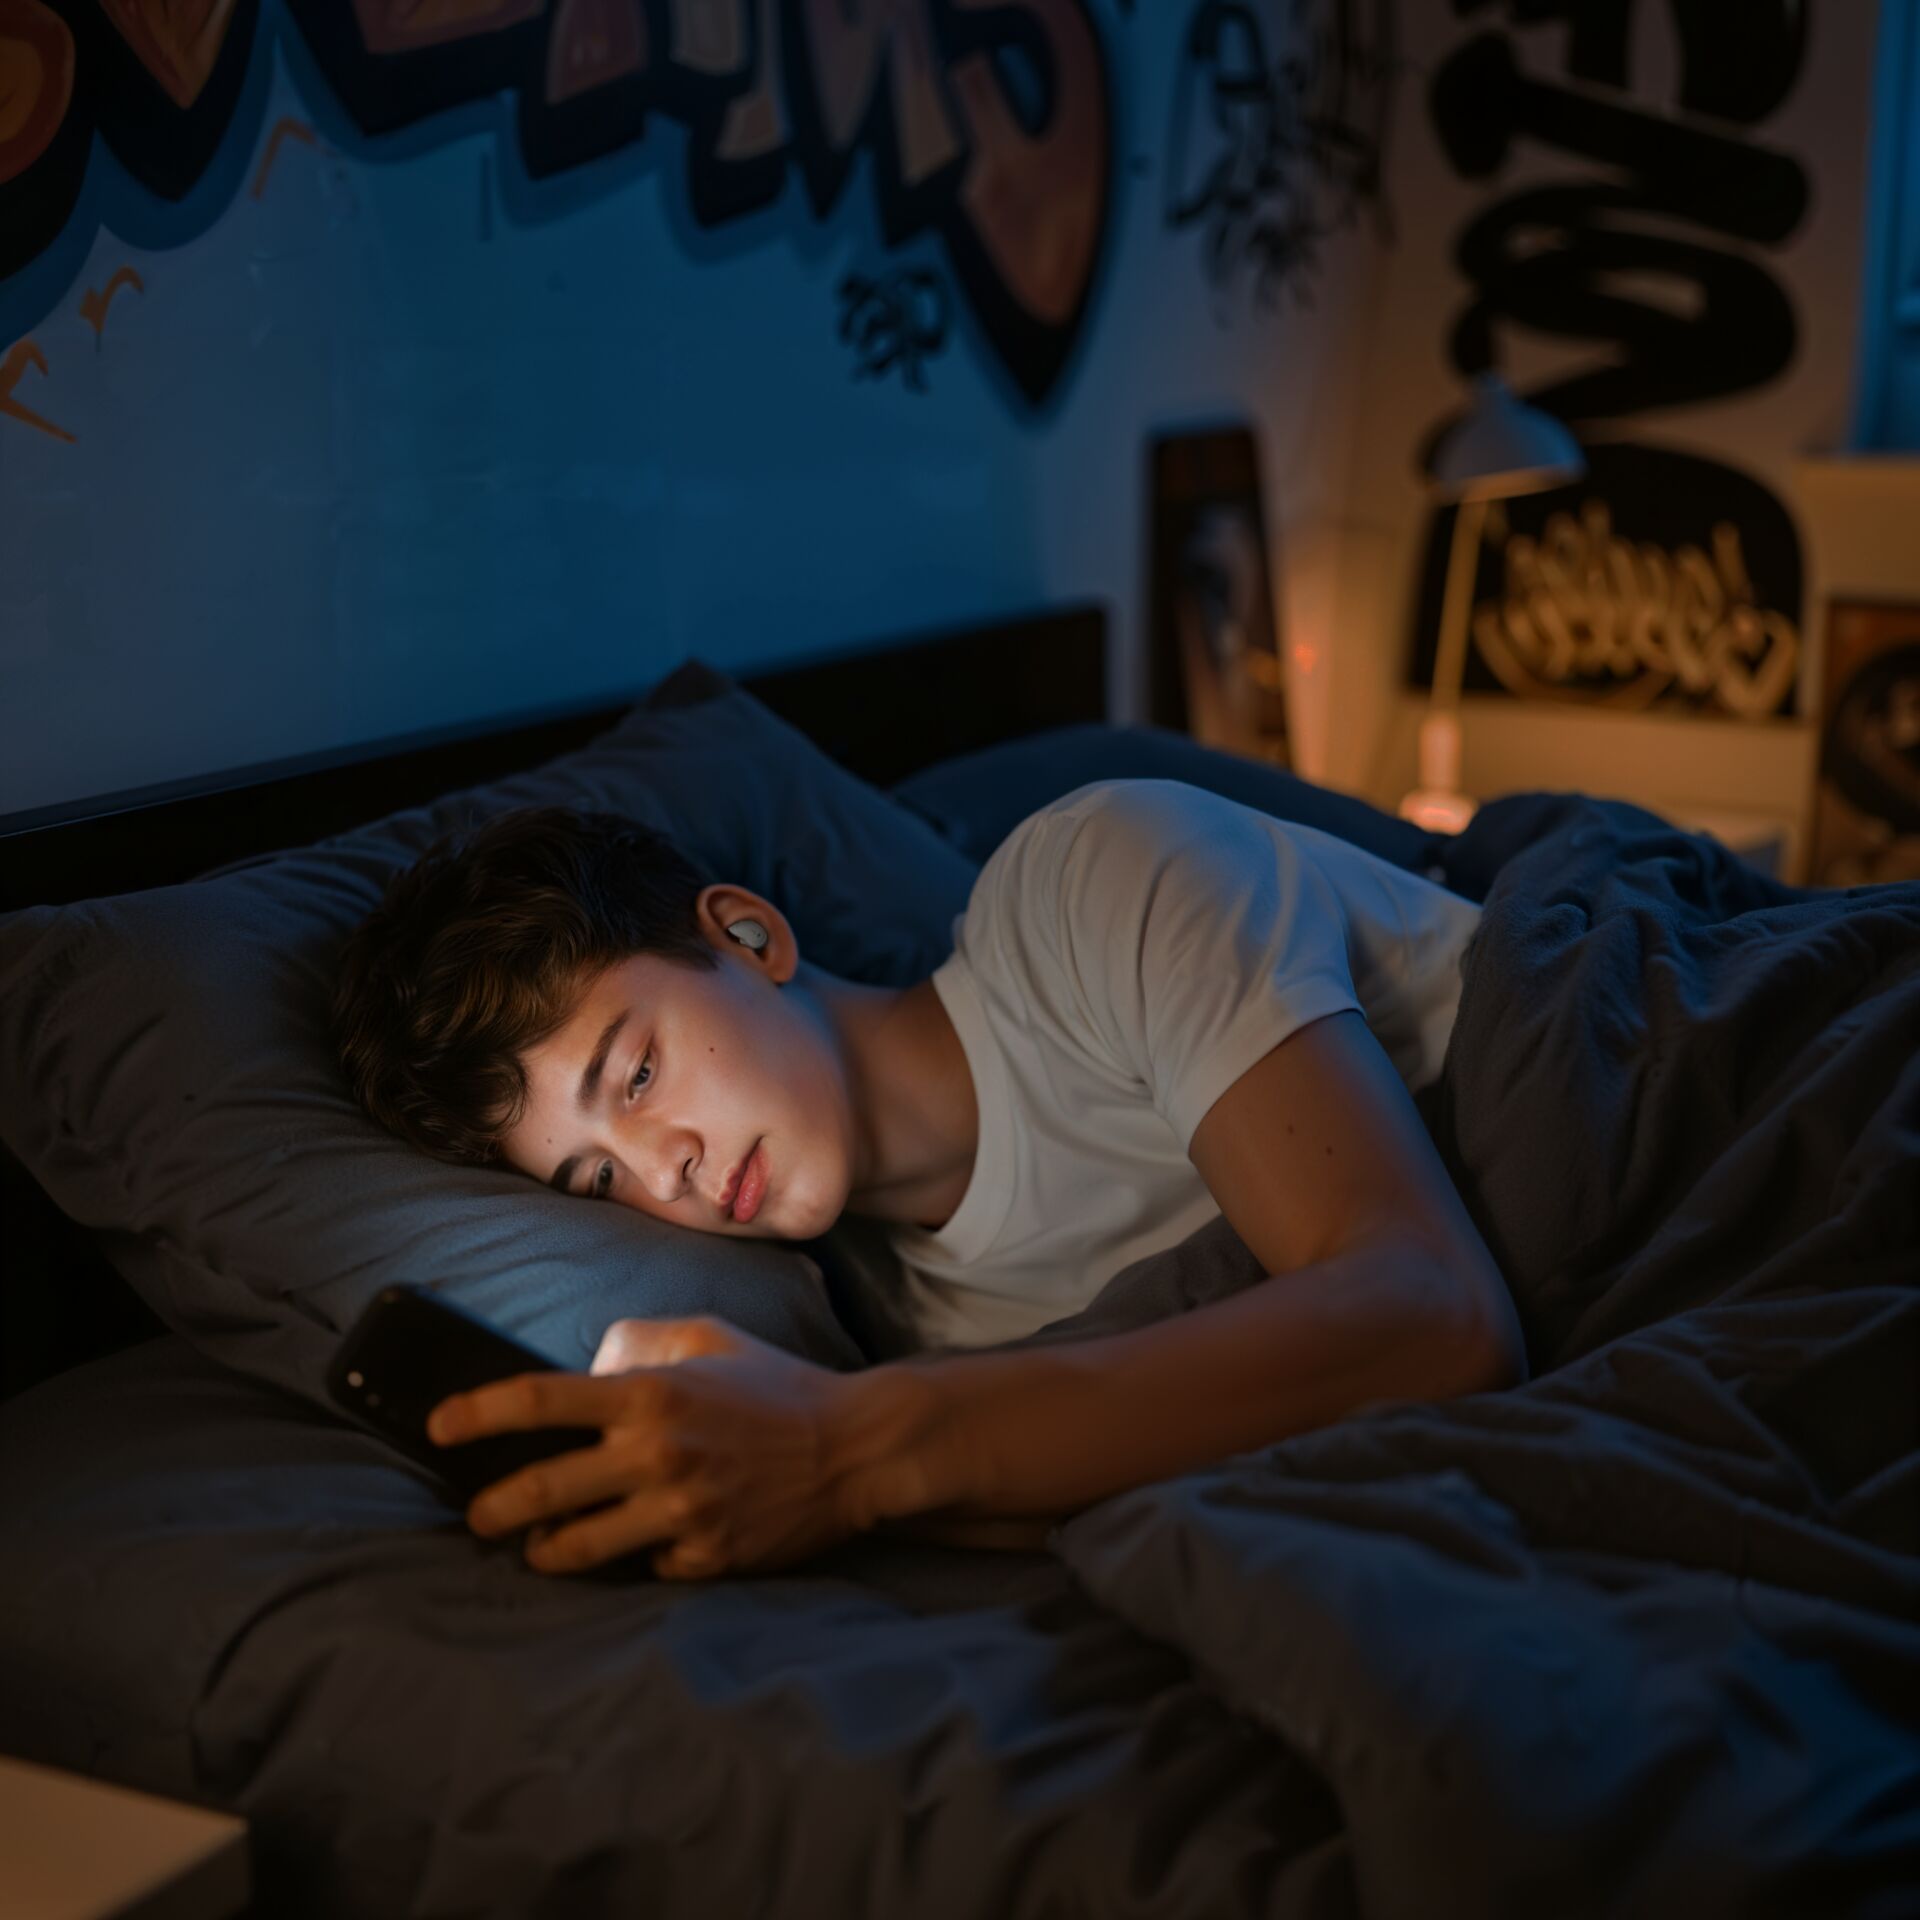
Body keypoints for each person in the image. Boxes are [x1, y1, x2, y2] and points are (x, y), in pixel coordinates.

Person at [331, 778, 1526, 1581]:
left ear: (750, 938)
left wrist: (852, 1452)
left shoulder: (1097, 881)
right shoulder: (890, 1325)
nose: (666, 1172)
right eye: (597, 1181)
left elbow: (1437, 1317)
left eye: (635, 1074)